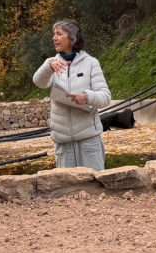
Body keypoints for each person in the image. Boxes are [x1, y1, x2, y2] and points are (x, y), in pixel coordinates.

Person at [32, 19, 111, 171]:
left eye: (59, 34)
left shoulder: (91, 63)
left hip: (89, 140)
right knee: (66, 189)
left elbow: (105, 97)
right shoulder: (52, 63)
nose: (54, 38)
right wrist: (49, 66)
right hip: (62, 143)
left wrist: (87, 96)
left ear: (72, 38)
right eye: (54, 34)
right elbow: (39, 82)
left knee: (94, 186)